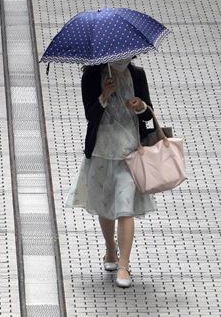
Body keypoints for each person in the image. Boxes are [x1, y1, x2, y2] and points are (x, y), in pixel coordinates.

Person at [65, 56, 156, 288]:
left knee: (126, 207)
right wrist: (104, 97)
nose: (122, 60)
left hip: (130, 152)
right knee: (106, 205)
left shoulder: (137, 75)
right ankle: (110, 250)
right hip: (101, 151)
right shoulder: (92, 76)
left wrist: (141, 107)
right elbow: (90, 115)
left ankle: (124, 266)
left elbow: (149, 114)